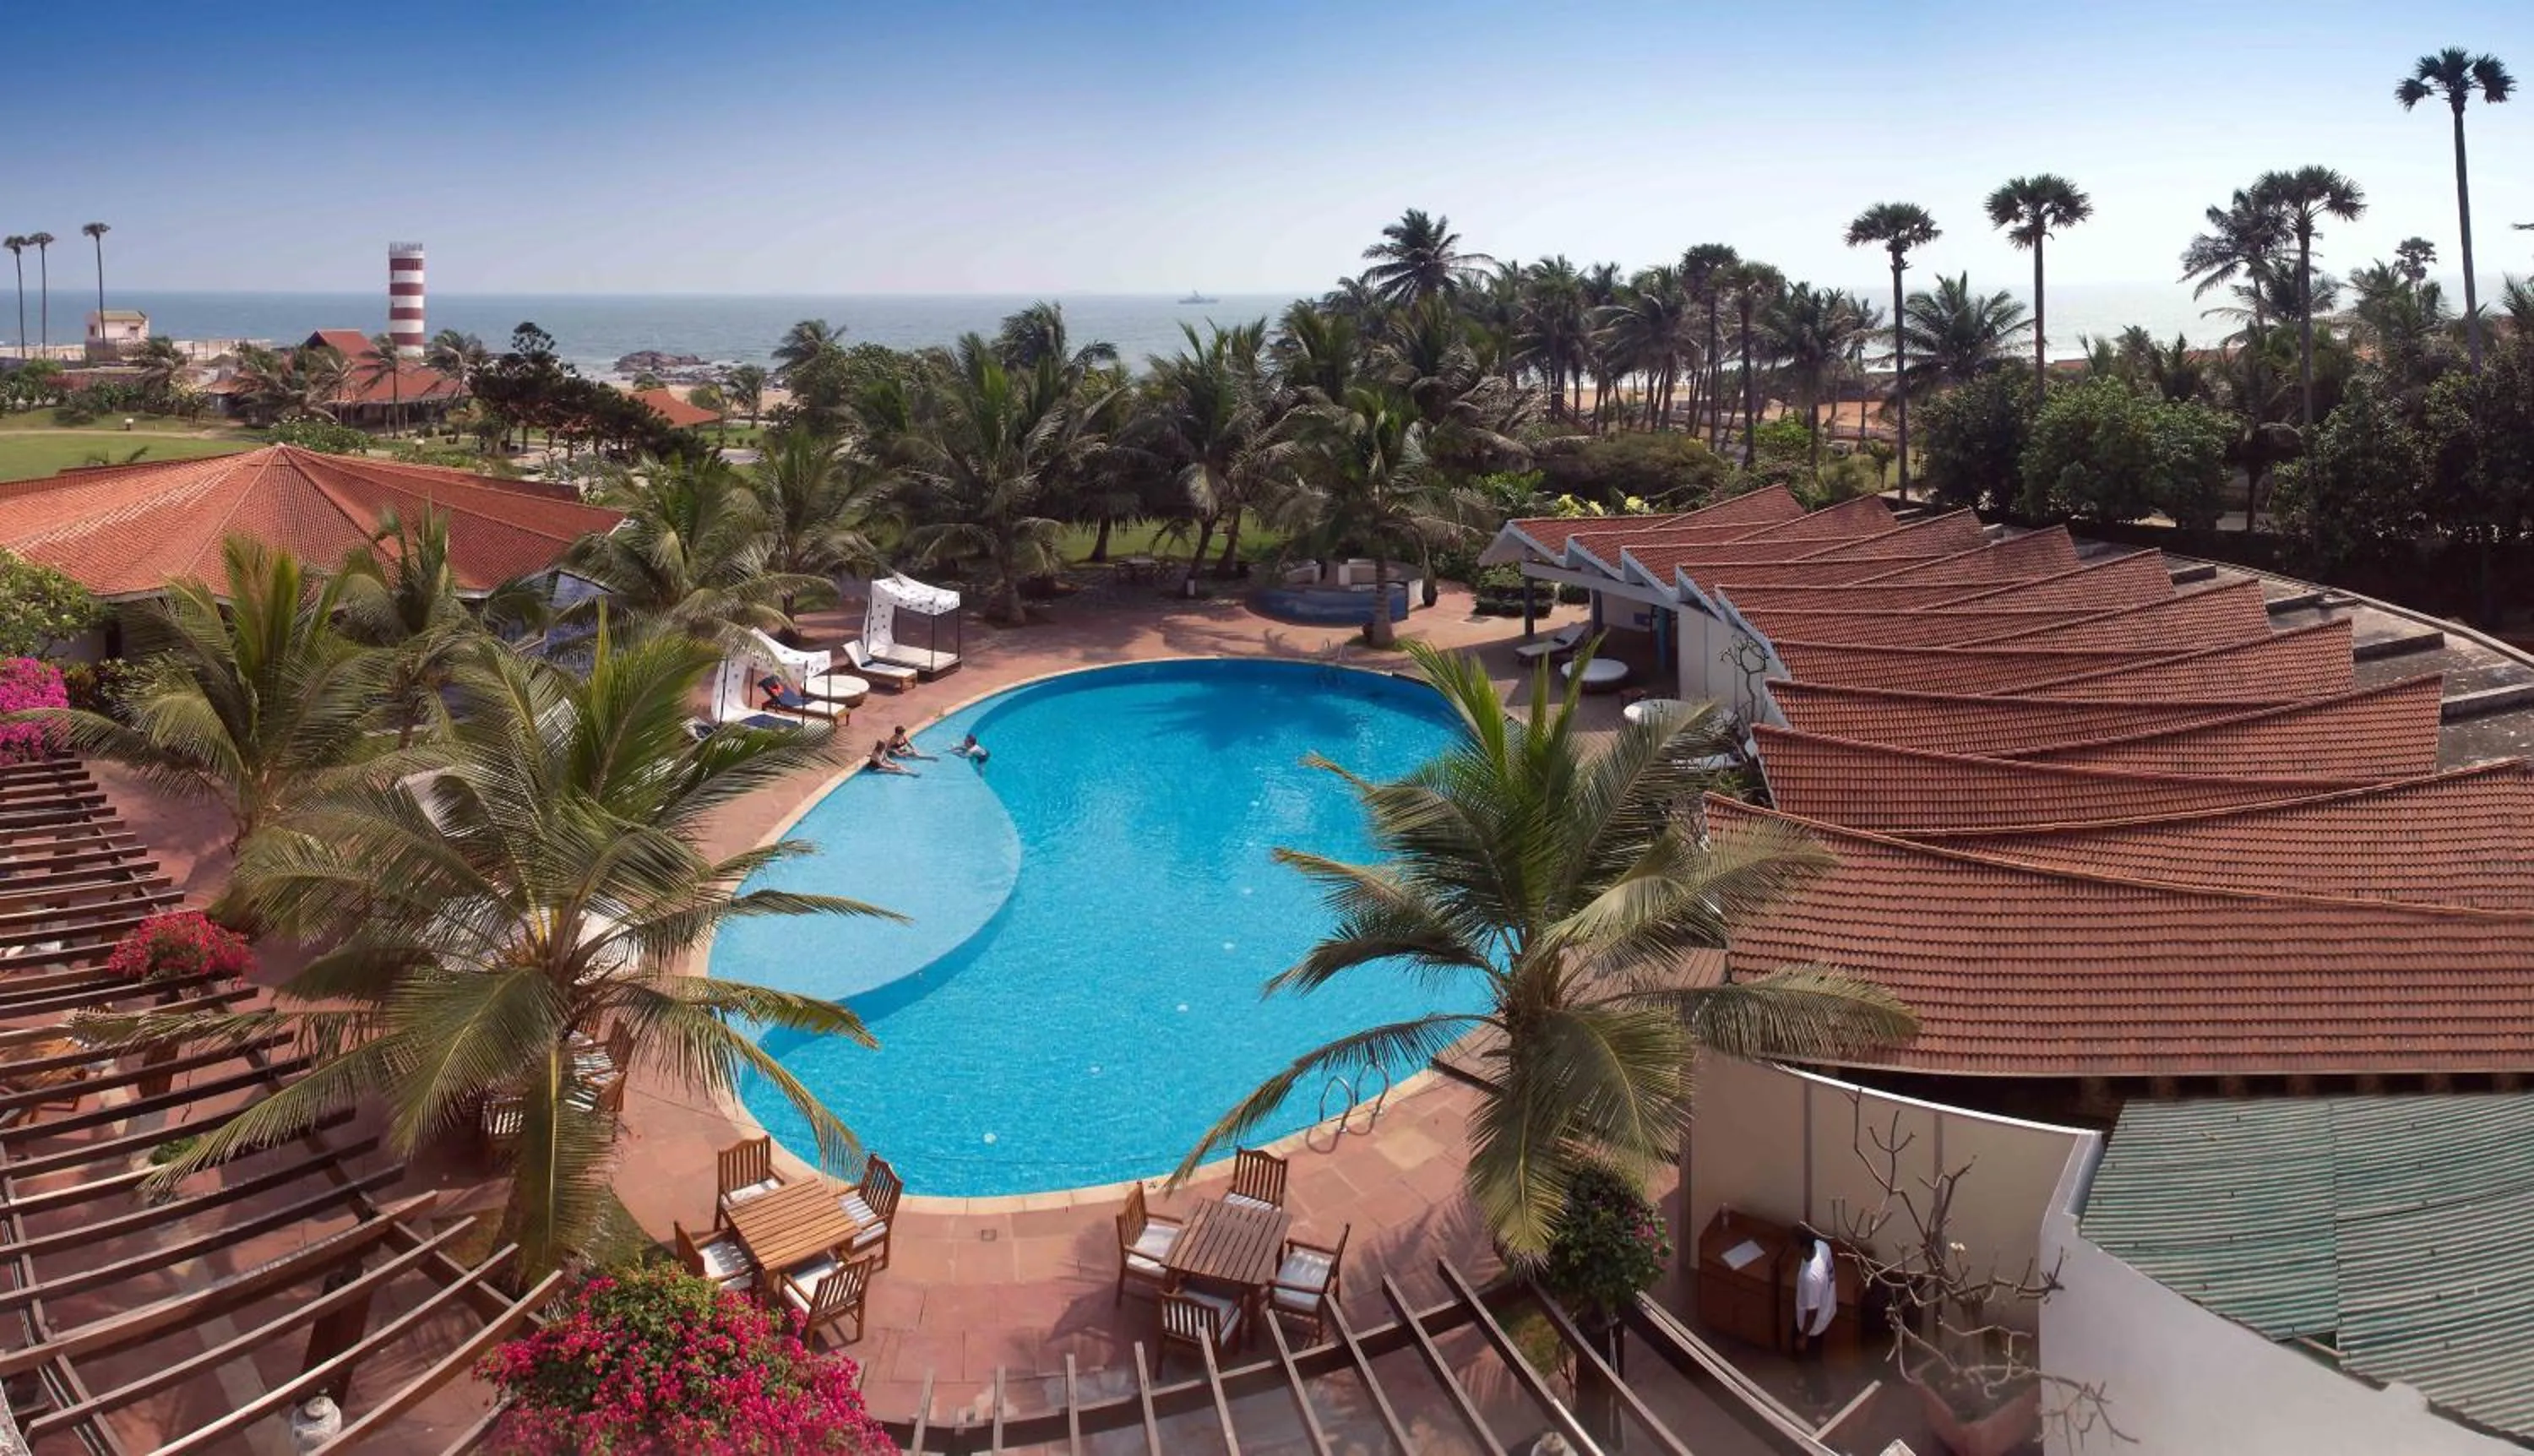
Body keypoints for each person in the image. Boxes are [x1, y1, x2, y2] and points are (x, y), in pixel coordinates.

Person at [1792, 1228, 1836, 1359]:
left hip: (1813, 1326)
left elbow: (1812, 1312)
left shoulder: (1810, 1277)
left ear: (1804, 1248)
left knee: (1810, 1361)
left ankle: (1812, 1379)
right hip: (1826, 1308)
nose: (1792, 1247)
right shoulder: (1822, 1246)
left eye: (1794, 1244)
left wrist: (1804, 1337)